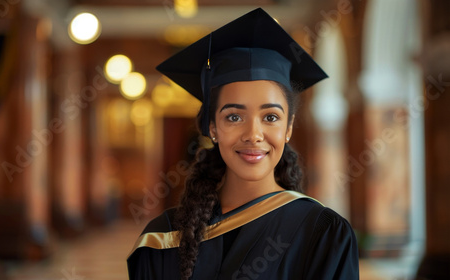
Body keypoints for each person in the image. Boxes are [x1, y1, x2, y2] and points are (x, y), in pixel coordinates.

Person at [127, 8, 359, 280]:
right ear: (212, 127)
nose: (253, 134)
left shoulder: (323, 233)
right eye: (234, 117)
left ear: (289, 127)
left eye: (271, 117)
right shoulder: (163, 237)